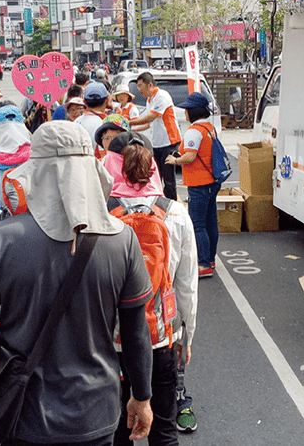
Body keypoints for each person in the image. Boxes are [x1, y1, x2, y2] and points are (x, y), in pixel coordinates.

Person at [0, 122, 154, 445]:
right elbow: (135, 332)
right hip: (97, 413)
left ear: (34, 170)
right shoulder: (122, 239)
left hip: (24, 415)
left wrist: (6, 347)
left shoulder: (0, 239)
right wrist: (142, 398)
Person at [102, 133, 198, 446]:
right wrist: (187, 334)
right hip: (161, 336)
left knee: (118, 429)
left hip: (111, 339)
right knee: (164, 429)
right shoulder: (176, 213)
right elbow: (187, 286)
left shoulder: (99, 215)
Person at [165, 92, 220, 279]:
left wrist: (174, 160)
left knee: (198, 224)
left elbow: (190, 157)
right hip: (212, 180)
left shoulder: (193, 131)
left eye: (187, 110)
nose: (185, 114)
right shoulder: (209, 128)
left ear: (192, 112)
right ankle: (210, 258)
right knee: (211, 221)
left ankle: (204, 264)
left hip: (198, 182)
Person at [131, 73, 182, 200]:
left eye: (140, 85)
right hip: (157, 143)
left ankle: (171, 205)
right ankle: (159, 202)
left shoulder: (162, 96)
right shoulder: (149, 99)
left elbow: (150, 117)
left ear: (150, 84)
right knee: (156, 176)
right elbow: (149, 123)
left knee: (168, 179)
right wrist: (132, 130)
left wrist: (129, 122)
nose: (139, 89)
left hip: (169, 142)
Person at [77, 82, 109, 152]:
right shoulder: (104, 126)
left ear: (84, 102)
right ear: (107, 101)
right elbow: (103, 155)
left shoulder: (75, 122)